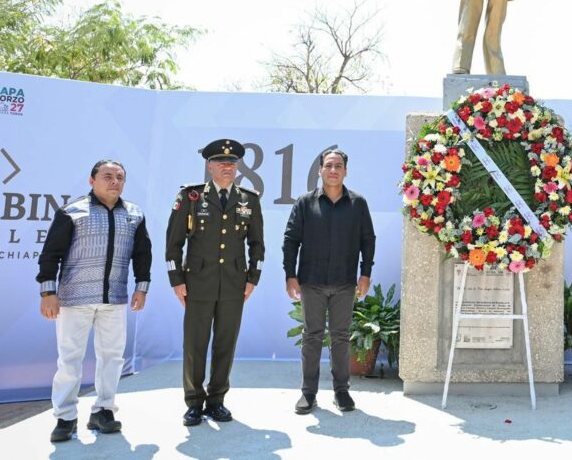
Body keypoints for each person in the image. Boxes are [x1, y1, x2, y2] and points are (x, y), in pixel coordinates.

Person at [36, 160, 151, 443]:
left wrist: (142, 288)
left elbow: (142, 253)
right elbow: (51, 254)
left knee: (112, 357)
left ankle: (104, 410)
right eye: (107, 176)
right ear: (92, 181)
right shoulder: (72, 212)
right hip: (74, 298)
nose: (114, 182)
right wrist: (48, 292)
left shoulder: (134, 214)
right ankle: (65, 417)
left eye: (120, 177)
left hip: (115, 298)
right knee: (69, 359)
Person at [166, 139, 265, 426]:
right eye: (221, 162)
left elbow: (257, 243)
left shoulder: (249, 199)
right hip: (197, 282)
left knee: (225, 344)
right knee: (195, 344)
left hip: (235, 284)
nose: (227, 167)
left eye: (232, 163)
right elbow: (174, 242)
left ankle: (217, 400)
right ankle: (194, 402)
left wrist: (253, 278)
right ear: (209, 166)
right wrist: (177, 279)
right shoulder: (190, 197)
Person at [283, 149, 376, 415]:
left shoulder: (358, 204)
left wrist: (365, 273)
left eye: (338, 166)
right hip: (311, 281)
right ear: (320, 170)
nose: (333, 170)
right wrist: (291, 275)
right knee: (311, 337)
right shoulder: (304, 203)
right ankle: (308, 393)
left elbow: (368, 240)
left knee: (341, 337)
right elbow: (290, 241)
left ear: (345, 171)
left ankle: (341, 391)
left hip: (345, 282)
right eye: (328, 165)